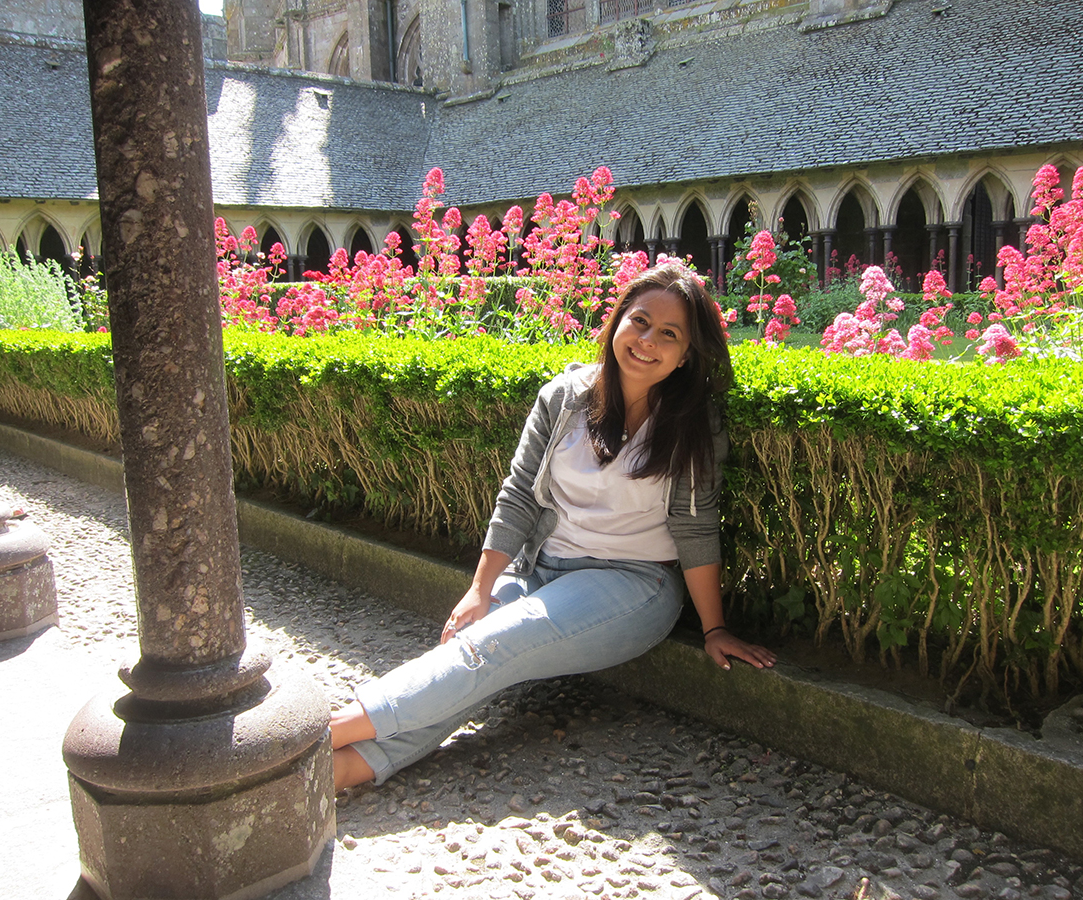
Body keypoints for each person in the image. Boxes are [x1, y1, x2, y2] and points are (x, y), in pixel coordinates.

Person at [330, 261, 777, 790]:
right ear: (617, 322)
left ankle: (314, 734)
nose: (647, 340)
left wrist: (714, 628)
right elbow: (519, 494)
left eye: (669, 334)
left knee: (488, 649)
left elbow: (696, 527)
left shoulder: (693, 423)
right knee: (469, 649)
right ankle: (332, 774)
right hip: (542, 568)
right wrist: (481, 589)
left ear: (685, 356)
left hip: (633, 583)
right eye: (639, 321)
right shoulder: (564, 397)